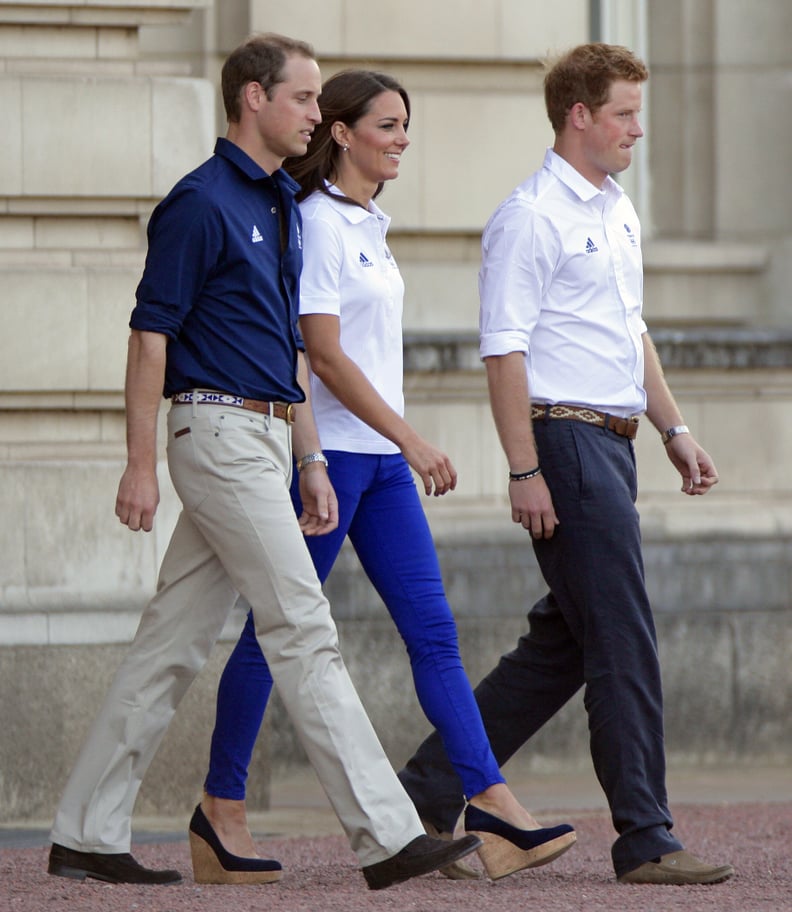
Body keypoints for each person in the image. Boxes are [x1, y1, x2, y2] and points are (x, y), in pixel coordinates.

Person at [46, 33, 481, 891]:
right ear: (253, 97)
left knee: (167, 644)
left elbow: (287, 352)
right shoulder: (200, 202)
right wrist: (140, 463)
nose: (317, 116)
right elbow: (149, 336)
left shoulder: (282, 202)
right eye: (304, 99)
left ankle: (84, 831)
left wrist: (308, 454)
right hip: (212, 435)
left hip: (263, 438)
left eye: (320, 102)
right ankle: (387, 836)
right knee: (302, 625)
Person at [199, 68, 576, 886]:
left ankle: (489, 800)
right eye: (389, 125)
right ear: (342, 132)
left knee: (433, 634)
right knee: (278, 638)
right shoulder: (317, 224)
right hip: (333, 463)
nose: (403, 138)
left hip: (381, 472)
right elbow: (323, 354)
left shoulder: (370, 223)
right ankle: (219, 809)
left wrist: (396, 448)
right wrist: (408, 439)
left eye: (407, 125)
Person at [397, 42, 736, 887]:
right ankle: (646, 837)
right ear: (578, 115)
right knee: (622, 633)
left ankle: (428, 786)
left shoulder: (615, 208)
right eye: (623, 112)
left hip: (613, 443)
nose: (637, 129)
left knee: (566, 642)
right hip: (563, 443)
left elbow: (633, 331)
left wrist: (674, 427)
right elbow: (503, 351)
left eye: (637, 111)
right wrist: (523, 469)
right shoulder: (531, 216)